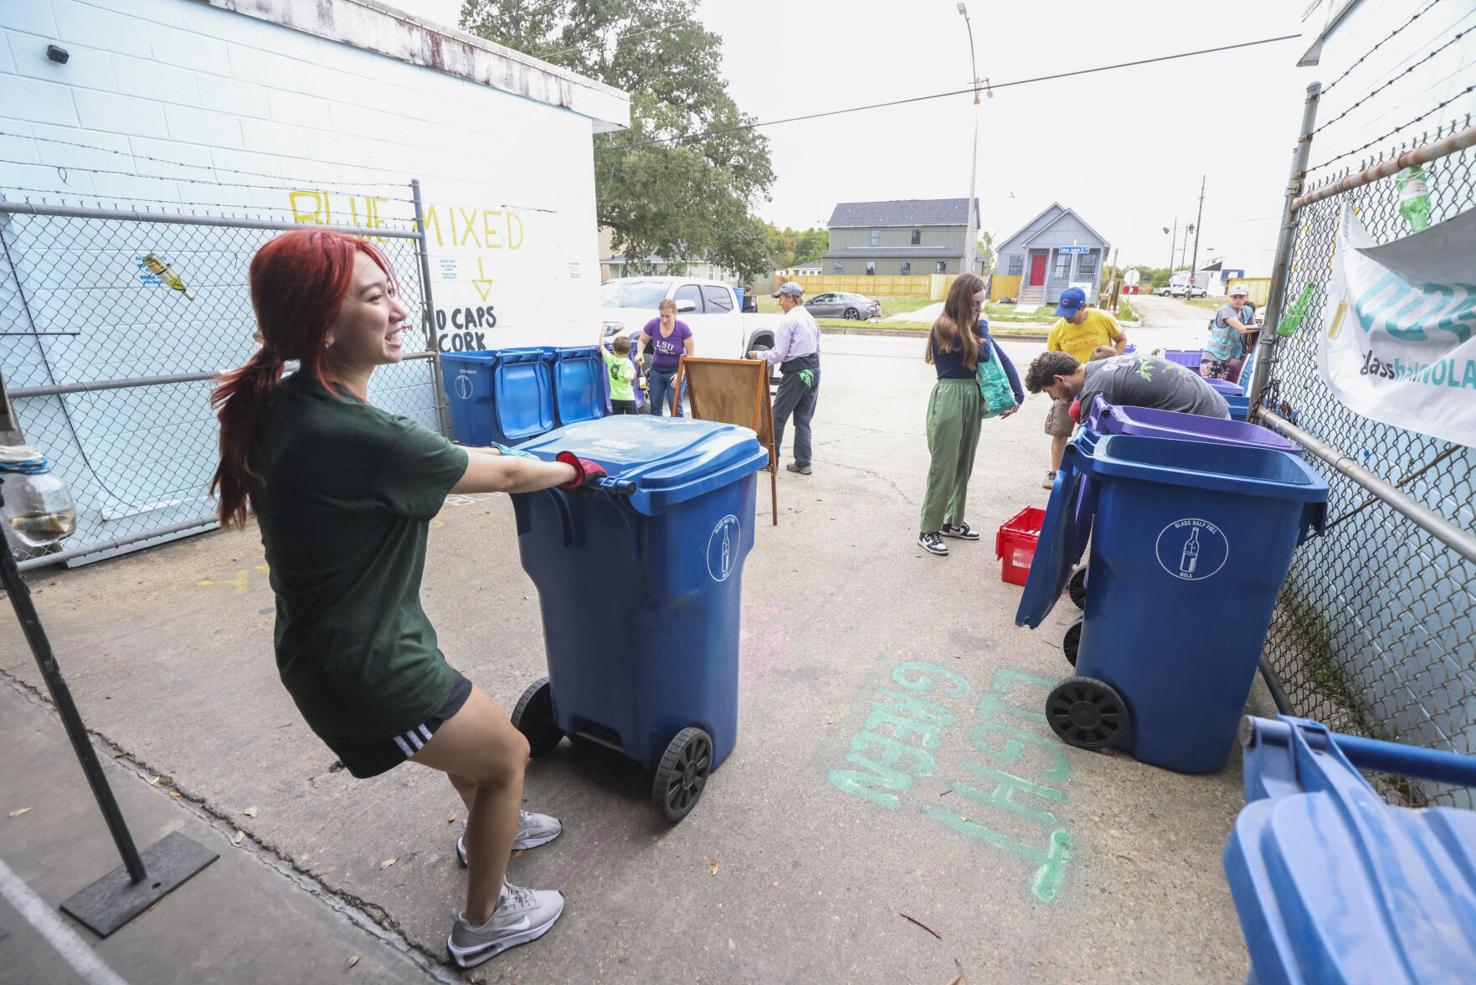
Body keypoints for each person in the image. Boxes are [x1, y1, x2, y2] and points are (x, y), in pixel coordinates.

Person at [209, 229, 609, 970]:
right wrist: (573, 470)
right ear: (323, 328)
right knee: (509, 754)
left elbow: (460, 459)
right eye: (374, 298)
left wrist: (522, 459)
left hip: (336, 646)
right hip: (369, 665)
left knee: (468, 727)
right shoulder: (364, 436)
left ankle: (494, 825)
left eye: (392, 291)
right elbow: (506, 476)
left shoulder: (287, 405)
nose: (398, 310)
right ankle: (484, 921)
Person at [917, 273, 1022, 557]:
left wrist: (1018, 394)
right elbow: (984, 354)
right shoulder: (945, 325)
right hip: (950, 395)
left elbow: (1001, 357)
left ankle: (952, 521)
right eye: (975, 303)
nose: (980, 308)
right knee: (944, 465)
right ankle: (928, 529)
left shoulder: (970, 327)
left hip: (970, 396)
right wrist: (983, 324)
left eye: (981, 302)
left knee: (964, 463)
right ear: (962, 300)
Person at [1041, 287, 1127, 488]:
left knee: (1096, 428)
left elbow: (1121, 339)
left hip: (1100, 382)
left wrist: (1113, 362)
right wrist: (1055, 389)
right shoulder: (1057, 330)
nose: (1067, 318)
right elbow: (1051, 360)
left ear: (1083, 307)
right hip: (1070, 385)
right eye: (1064, 313)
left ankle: (1092, 473)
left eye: (1071, 313)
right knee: (1060, 429)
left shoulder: (1102, 318)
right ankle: (1055, 473)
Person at [1023, 350, 1230, 430]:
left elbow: (1088, 446)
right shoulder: (1102, 368)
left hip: (1208, 426)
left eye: (1049, 391)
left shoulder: (1096, 389)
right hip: (1214, 413)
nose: (1053, 398)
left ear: (1059, 380)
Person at [749, 281, 821, 475]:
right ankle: (803, 463)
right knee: (803, 420)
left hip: (796, 373)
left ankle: (770, 461)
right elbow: (818, 348)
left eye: (781, 298)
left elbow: (779, 354)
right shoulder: (809, 318)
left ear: (790, 298)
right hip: (813, 370)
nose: (779, 302)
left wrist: (758, 355)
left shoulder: (788, 321)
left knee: (777, 418)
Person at [639, 298, 693, 416]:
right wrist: (639, 353)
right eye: (662, 316)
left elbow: (690, 355)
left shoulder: (683, 328)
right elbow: (642, 340)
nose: (664, 320)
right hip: (657, 370)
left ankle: (678, 427)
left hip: (675, 371)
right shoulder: (653, 324)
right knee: (655, 405)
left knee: (675, 406)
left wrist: (681, 373)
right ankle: (657, 427)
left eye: (668, 316)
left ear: (675, 314)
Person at [1202, 285, 1256, 381]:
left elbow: (1253, 328)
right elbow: (1242, 329)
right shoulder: (1226, 310)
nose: (1237, 299)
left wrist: (1258, 328)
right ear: (1230, 297)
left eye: (1241, 296)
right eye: (1234, 296)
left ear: (1246, 297)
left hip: (1228, 359)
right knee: (1212, 386)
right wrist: (1263, 327)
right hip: (1213, 357)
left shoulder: (1247, 311)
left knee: (1222, 387)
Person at [601, 330, 638, 414]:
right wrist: (634, 373)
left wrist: (603, 331)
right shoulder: (628, 363)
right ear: (629, 351)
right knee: (633, 419)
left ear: (613, 349)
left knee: (617, 420)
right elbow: (627, 378)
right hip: (628, 397)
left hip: (615, 397)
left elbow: (601, 346)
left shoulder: (610, 359)